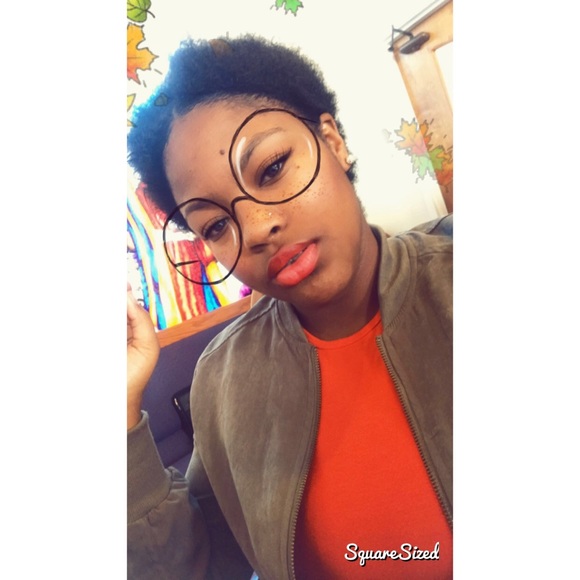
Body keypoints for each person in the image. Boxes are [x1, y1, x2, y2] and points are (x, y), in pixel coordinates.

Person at [127, 34, 453, 580]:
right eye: (217, 225)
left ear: (332, 141)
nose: (256, 228)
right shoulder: (225, 380)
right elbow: (201, 564)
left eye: (273, 167)